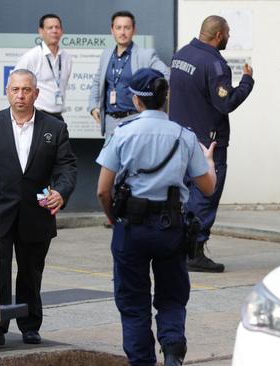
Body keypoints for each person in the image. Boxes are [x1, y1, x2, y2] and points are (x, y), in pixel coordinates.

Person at [96, 68, 217, 366]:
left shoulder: (122, 133)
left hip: (131, 228)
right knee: (172, 296)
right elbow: (207, 186)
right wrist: (210, 162)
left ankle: (142, 361)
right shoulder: (184, 135)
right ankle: (173, 349)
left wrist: (113, 218)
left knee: (134, 303)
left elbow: (102, 190)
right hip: (171, 227)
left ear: (136, 101)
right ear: (167, 98)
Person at [0, 69, 77, 346]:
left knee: (31, 272)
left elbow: (67, 167)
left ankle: (30, 325)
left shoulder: (53, 128)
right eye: (15, 90)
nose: (20, 95)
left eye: (26, 90)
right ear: (7, 92)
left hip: (37, 211)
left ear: (36, 93)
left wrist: (61, 192)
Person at [168, 15, 254, 272]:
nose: (228, 37)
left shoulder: (181, 55)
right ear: (218, 35)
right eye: (227, 33)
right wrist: (247, 82)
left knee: (182, 194)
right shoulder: (215, 64)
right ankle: (194, 251)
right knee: (205, 194)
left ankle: (177, 247)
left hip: (181, 138)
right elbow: (225, 103)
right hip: (208, 144)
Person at [88, 10, 169, 140]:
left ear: (134, 30)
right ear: (112, 30)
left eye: (127, 28)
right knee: (110, 160)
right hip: (110, 121)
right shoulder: (106, 54)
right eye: (118, 28)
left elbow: (166, 75)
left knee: (135, 160)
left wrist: (153, 100)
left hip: (135, 119)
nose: (122, 32)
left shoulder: (145, 55)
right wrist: (92, 106)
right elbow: (97, 82)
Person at [15, 14, 72, 121]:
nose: (54, 31)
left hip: (58, 116)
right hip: (37, 116)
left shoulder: (67, 58)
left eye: (57, 27)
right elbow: (15, 83)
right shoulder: (31, 56)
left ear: (62, 31)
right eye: (50, 28)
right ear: (41, 32)